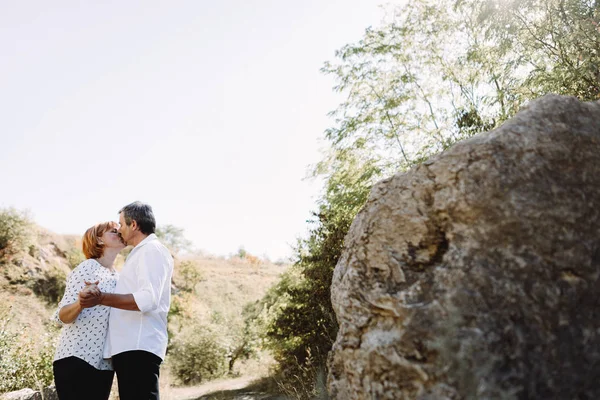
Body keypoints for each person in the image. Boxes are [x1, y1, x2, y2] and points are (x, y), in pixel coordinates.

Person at [80, 201, 174, 400]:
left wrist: (101, 298)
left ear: (134, 225)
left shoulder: (151, 250)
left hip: (138, 345)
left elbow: (148, 299)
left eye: (121, 224)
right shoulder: (140, 253)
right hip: (130, 347)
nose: (119, 230)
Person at [52, 221, 125, 400]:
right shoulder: (87, 268)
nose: (120, 233)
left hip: (105, 364)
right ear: (99, 239)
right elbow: (62, 316)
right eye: (113, 231)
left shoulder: (119, 276)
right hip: (76, 357)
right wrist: (81, 302)